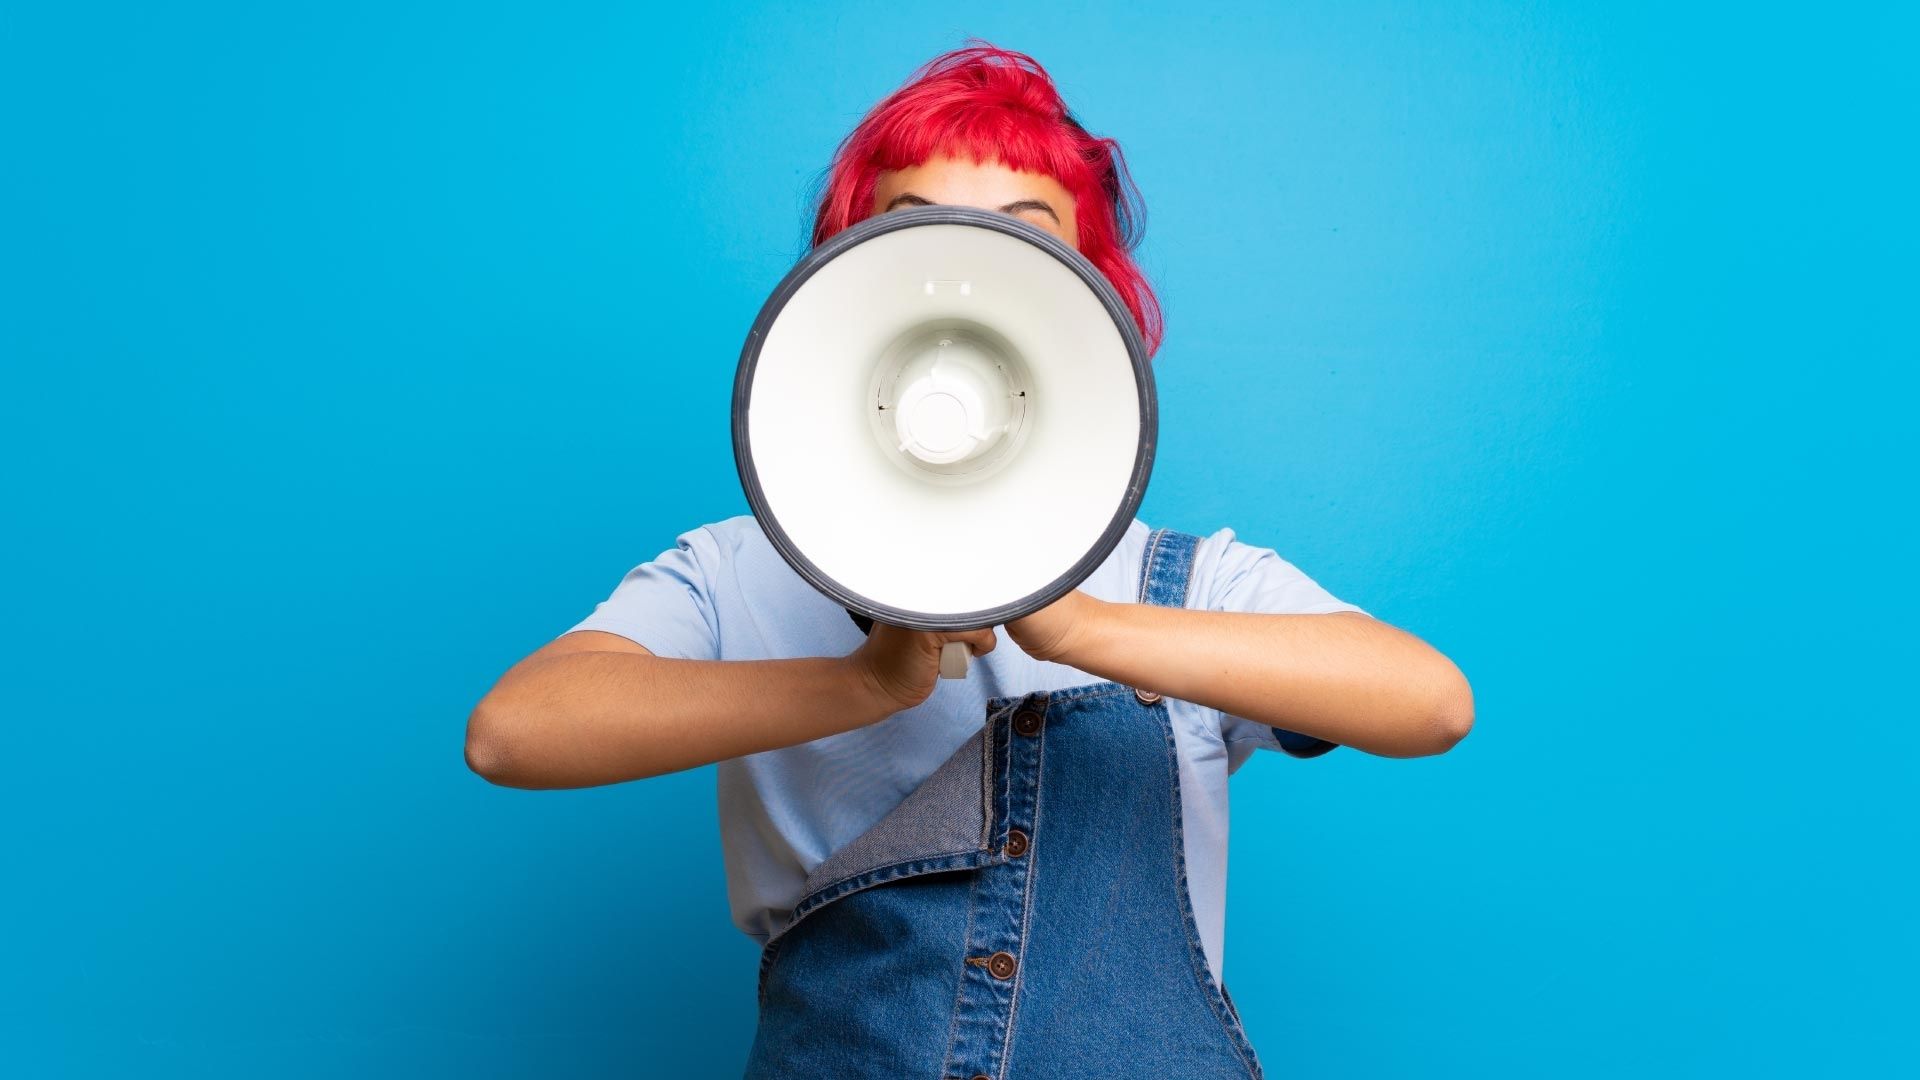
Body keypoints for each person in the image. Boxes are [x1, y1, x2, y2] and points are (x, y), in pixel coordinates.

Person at [466, 42, 1473, 1079]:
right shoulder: (739, 571)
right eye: (916, 231)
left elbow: (1427, 701)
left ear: (1098, 301)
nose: (972, 266)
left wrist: (1081, 625)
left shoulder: (1188, 583)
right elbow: (514, 734)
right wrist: (863, 683)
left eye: (1024, 242)